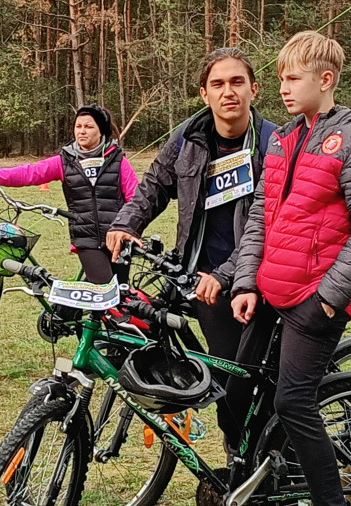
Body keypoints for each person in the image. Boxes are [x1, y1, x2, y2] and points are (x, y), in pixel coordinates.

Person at [226, 31, 351, 506]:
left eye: (292, 77)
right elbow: (262, 216)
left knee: (292, 404)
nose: (282, 86)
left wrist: (329, 297)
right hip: (271, 289)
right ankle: (262, 491)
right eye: (279, 77)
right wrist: (245, 280)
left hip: (316, 300)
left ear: (325, 80)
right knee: (236, 393)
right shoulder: (281, 138)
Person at [105, 47, 276, 447]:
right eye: (217, 84)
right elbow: (153, 186)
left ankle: (251, 470)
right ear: (204, 93)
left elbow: (267, 225)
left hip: (249, 280)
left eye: (237, 82)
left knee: (239, 388)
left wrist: (225, 274)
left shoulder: (272, 143)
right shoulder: (188, 137)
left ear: (254, 89)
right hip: (196, 274)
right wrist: (126, 223)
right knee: (142, 327)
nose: (227, 92)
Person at [0, 105, 138, 286]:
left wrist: (129, 228)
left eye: (88, 127)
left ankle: (66, 311)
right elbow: (29, 173)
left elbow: (136, 199)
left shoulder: (119, 161)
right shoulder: (65, 161)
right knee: (105, 288)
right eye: (78, 126)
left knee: (120, 290)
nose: (82, 131)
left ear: (101, 131)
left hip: (118, 236)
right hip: (86, 239)